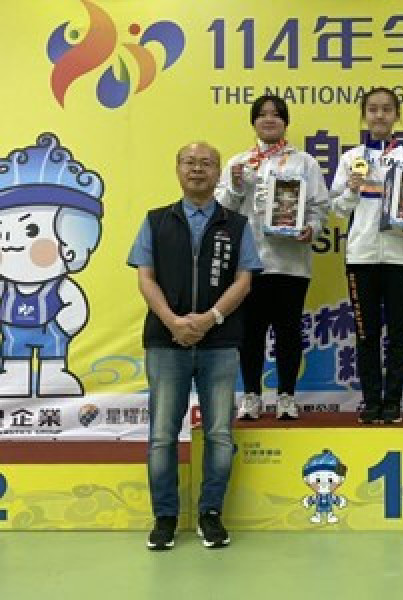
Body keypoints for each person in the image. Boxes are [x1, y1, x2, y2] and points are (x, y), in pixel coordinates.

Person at [127, 141, 262, 550]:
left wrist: (210, 319)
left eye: (206, 163)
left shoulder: (236, 224)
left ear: (218, 172)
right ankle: (165, 518)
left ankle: (210, 514)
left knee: (219, 433)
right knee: (162, 435)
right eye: (189, 162)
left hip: (220, 343)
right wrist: (173, 321)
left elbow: (244, 280)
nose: (197, 169)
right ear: (178, 169)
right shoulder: (156, 220)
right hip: (165, 342)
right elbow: (145, 277)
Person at [216, 95, 329, 420]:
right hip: (248, 264)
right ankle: (251, 395)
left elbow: (320, 208)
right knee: (250, 334)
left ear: (285, 122)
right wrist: (236, 186)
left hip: (290, 264)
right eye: (262, 114)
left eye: (276, 115)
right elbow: (222, 210)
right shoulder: (238, 164)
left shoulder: (304, 163)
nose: (269, 119)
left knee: (288, 333)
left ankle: (286, 396)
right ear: (253, 122)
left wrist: (311, 228)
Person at [330, 87, 403, 424]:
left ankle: (393, 402)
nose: (379, 115)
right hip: (362, 257)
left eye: (387, 109)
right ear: (364, 115)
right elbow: (336, 207)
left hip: (401, 257)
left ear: (396, 115)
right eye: (373, 109)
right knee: (366, 333)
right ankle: (371, 401)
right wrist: (351, 189)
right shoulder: (351, 158)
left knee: (400, 334)